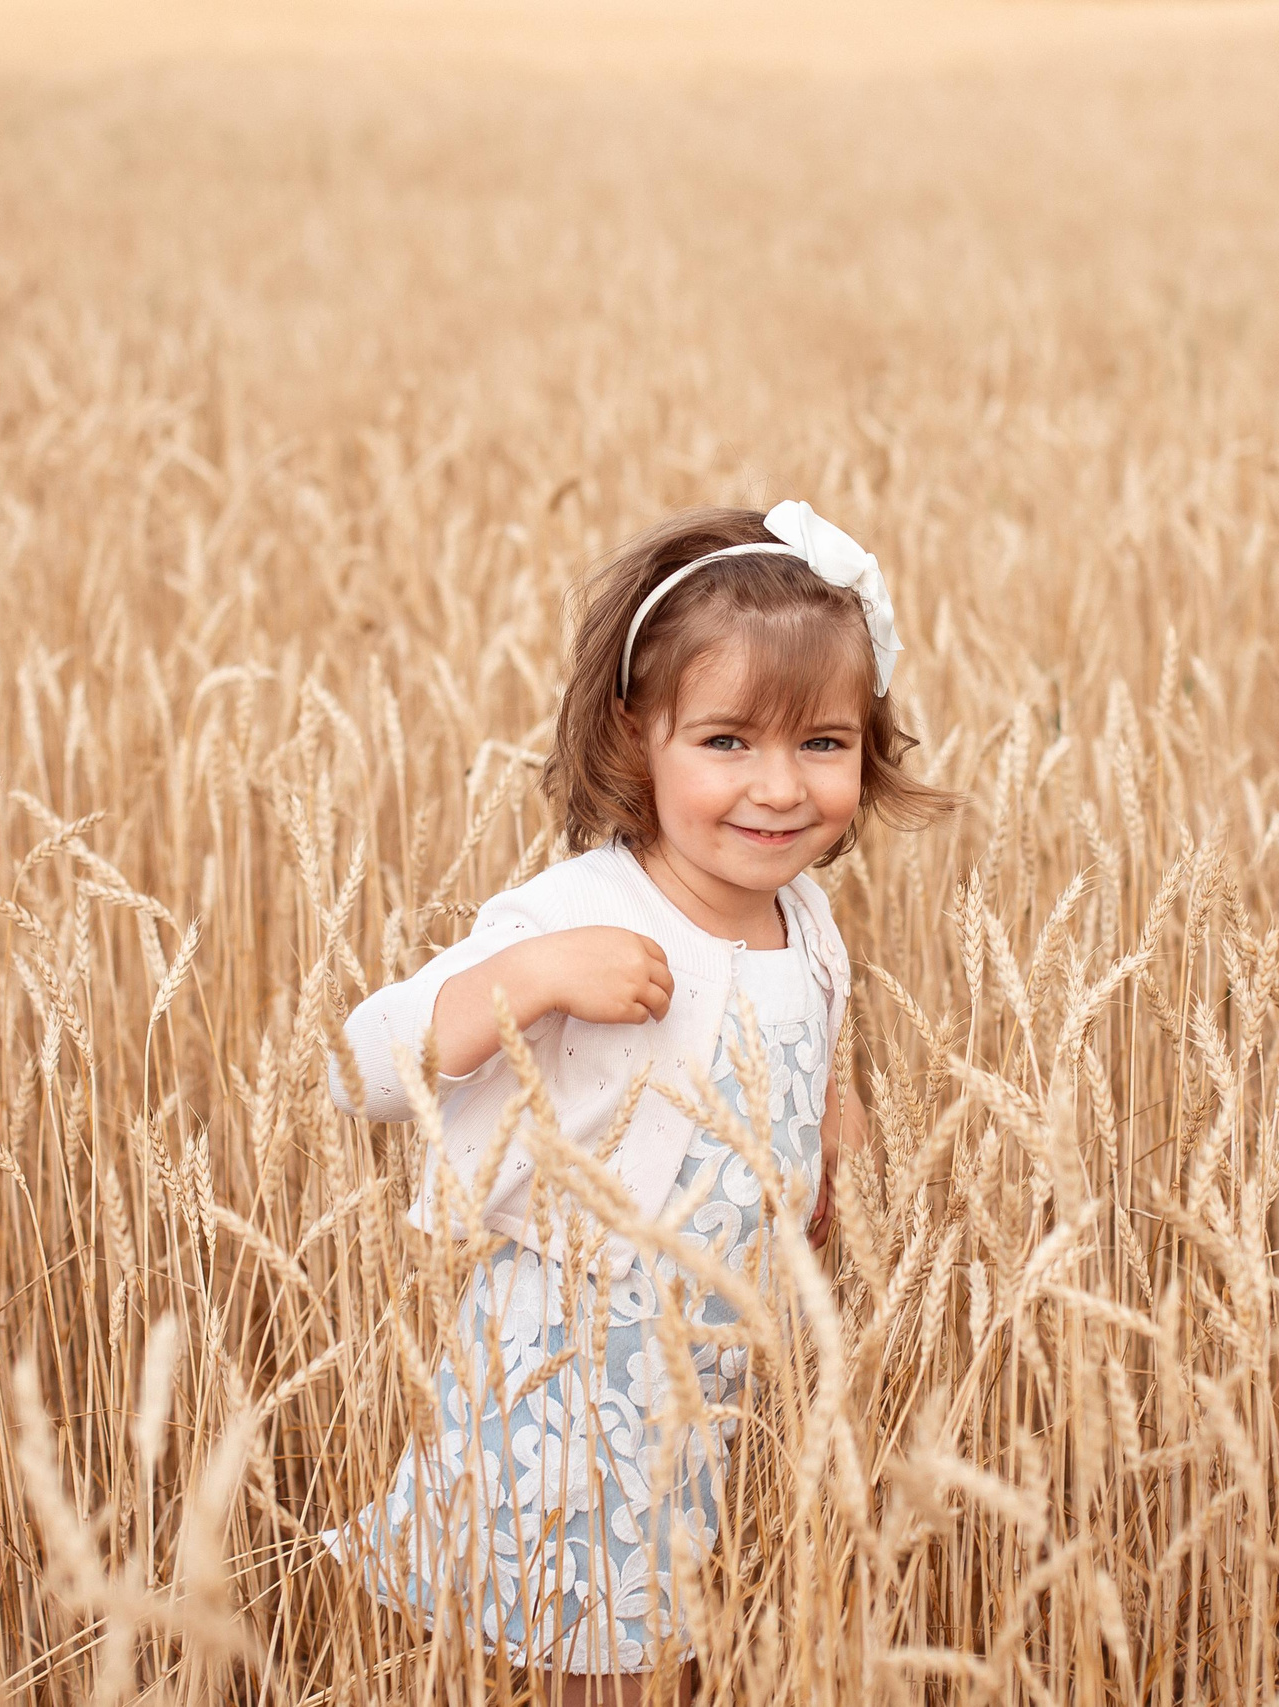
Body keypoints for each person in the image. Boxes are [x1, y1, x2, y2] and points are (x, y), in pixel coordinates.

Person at [324, 501, 956, 1703]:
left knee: (669, 1635)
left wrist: (836, 1130)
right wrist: (528, 980)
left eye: (822, 744)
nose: (779, 789)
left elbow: (813, 1036)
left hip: (711, 1371)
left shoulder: (804, 917)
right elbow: (363, 1063)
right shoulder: (576, 913)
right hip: (568, 1372)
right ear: (637, 734)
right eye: (726, 742)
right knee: (596, 1657)